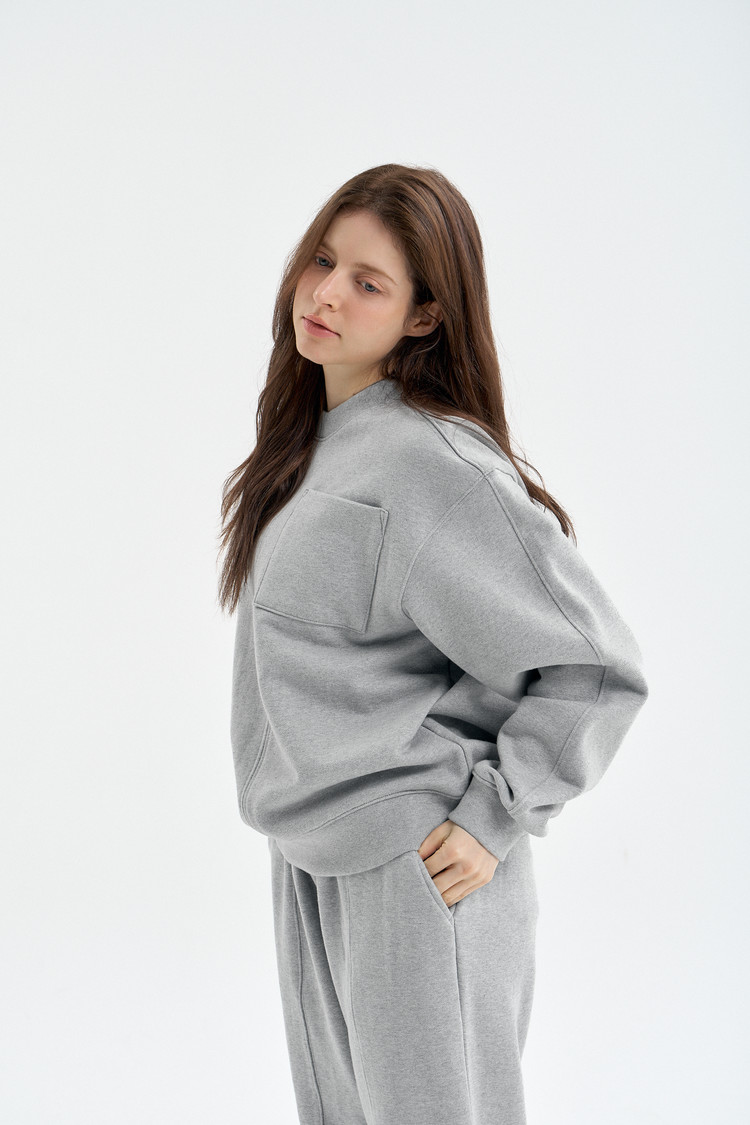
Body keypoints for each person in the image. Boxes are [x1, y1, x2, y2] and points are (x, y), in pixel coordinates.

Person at [217, 163, 649, 1125]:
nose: (327, 293)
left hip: (413, 868)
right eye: (322, 261)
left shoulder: (433, 463)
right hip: (313, 857)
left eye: (368, 282)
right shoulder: (313, 443)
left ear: (423, 316)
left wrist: (499, 810)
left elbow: (596, 669)